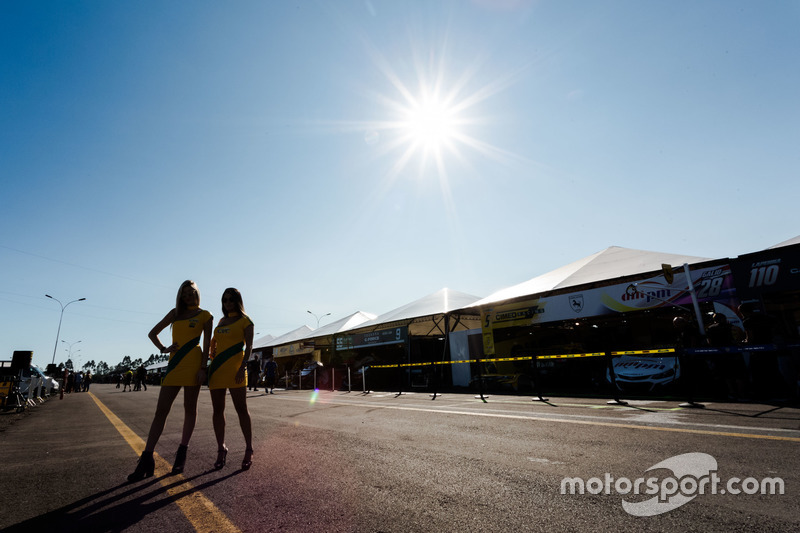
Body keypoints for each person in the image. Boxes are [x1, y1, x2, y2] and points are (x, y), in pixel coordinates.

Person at [127, 280, 213, 482]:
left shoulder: (205, 316)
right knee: (161, 411)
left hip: (194, 365)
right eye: (184, 294)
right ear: (180, 296)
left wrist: (203, 368)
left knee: (189, 408)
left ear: (197, 293)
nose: (188, 296)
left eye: (191, 292)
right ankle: (147, 458)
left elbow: (207, 344)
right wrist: (164, 349)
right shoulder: (175, 313)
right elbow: (152, 333)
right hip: (174, 366)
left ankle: (182, 453)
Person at [208, 288, 254, 471]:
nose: (227, 303)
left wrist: (242, 367)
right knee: (217, 410)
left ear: (238, 301)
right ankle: (221, 448)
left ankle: (249, 448)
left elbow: (249, 347)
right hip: (217, 371)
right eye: (225, 300)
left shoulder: (246, 321)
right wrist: (211, 357)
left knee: (241, 409)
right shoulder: (221, 321)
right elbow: (214, 342)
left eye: (231, 299)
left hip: (236, 371)